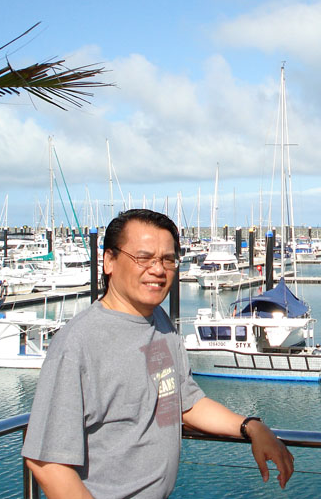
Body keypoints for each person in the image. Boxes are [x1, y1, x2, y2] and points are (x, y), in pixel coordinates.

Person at [22, 209, 294, 498]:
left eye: (167, 259)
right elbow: (47, 463)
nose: (158, 269)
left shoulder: (160, 323)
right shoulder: (78, 344)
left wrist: (251, 426)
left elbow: (183, 403)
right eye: (143, 258)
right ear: (109, 261)